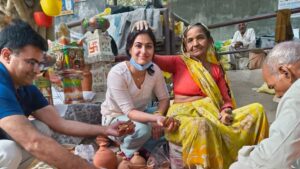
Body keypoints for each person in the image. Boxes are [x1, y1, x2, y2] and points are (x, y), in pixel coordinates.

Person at [0, 18, 135, 169]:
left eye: (39, 64)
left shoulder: (24, 85)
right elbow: (34, 142)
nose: (37, 70)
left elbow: (59, 123)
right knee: (9, 151)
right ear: (6, 55)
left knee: (41, 129)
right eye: (31, 62)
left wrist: (104, 130)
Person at [134, 21, 269, 168]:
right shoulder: (178, 62)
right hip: (183, 117)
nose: (195, 43)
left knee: (257, 110)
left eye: (200, 38)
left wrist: (225, 111)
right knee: (202, 125)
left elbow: (225, 99)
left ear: (210, 41)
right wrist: (143, 33)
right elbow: (150, 57)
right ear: (185, 45)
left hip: (213, 114)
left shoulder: (217, 69)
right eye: (190, 40)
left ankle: (255, 162)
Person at [101, 27, 178, 159]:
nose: (143, 51)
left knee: (174, 117)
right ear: (130, 49)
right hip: (115, 118)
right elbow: (129, 112)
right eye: (138, 46)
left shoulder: (154, 70)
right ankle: (125, 154)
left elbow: (164, 98)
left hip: (142, 113)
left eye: (149, 46)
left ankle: (143, 148)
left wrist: (158, 114)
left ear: (153, 50)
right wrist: (155, 119)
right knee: (144, 130)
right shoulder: (117, 73)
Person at [230, 41, 300, 169]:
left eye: (273, 87)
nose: (277, 95)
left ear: (285, 72)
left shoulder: (297, 94)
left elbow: (273, 159)